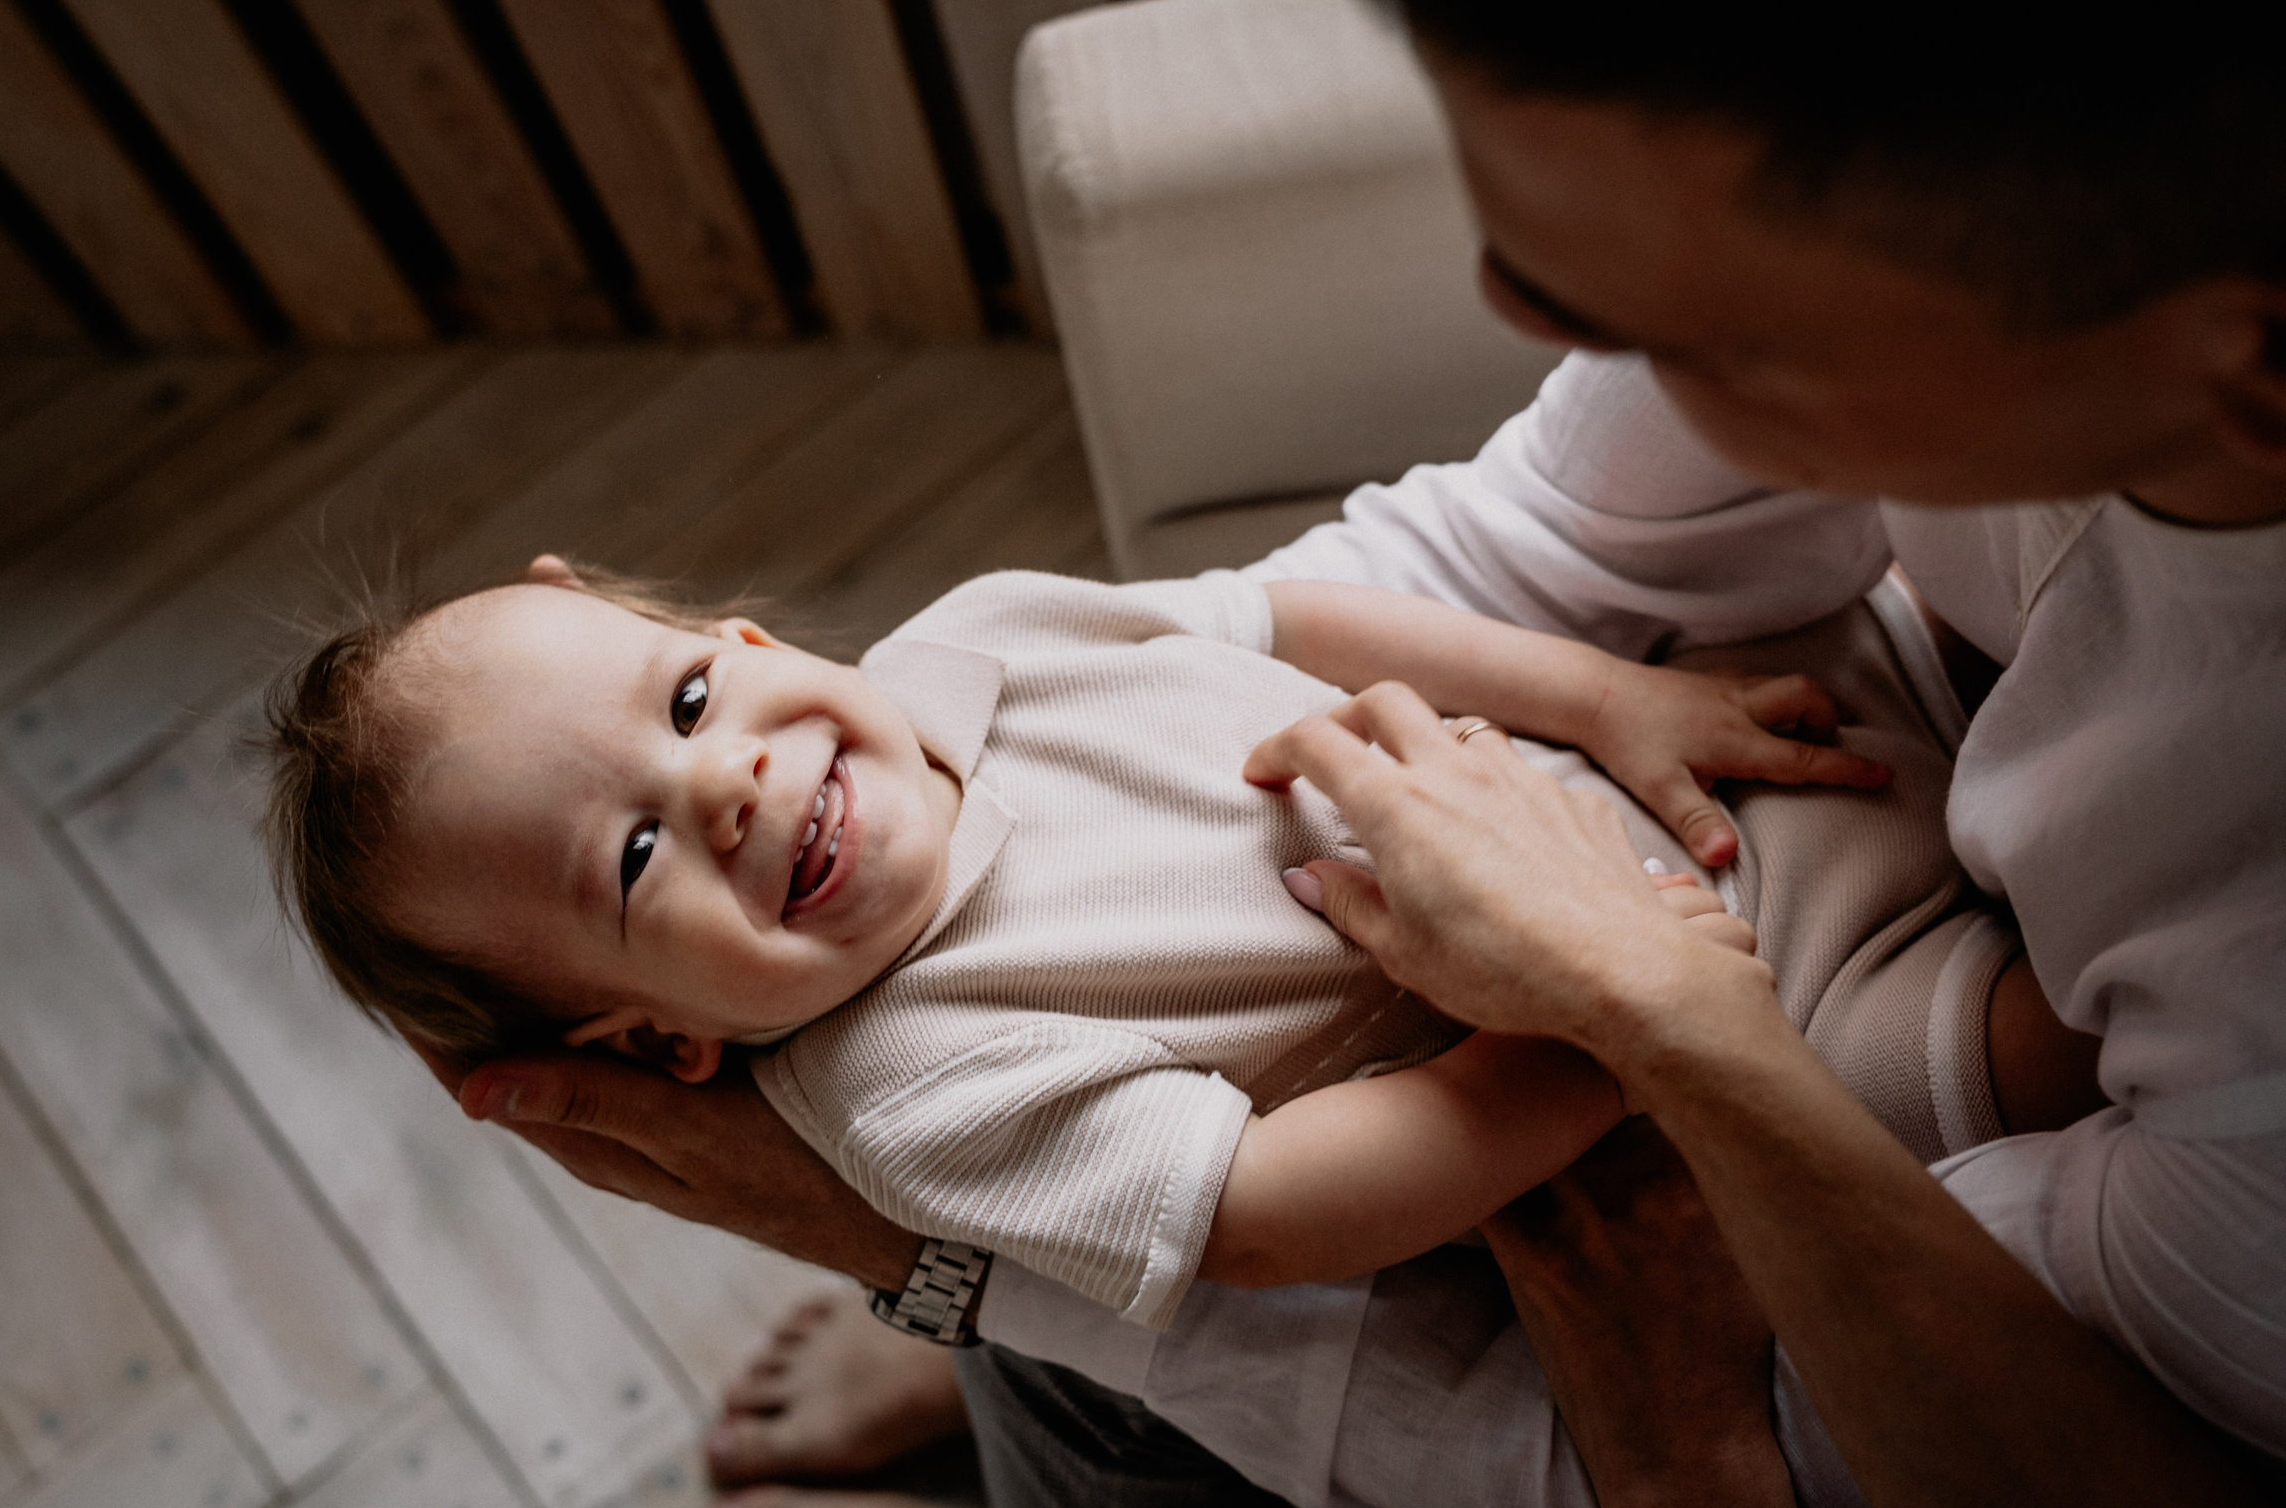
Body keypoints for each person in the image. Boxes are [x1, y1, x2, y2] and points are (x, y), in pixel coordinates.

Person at [415, 0, 2286, 1508]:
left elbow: (1933, 1490)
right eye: (636, 864)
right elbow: (1339, 611)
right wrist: (1601, 696)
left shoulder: (2253, 1060)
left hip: (1740, 1079)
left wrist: (1634, 1031)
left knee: (1074, 1363)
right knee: (1063, 1322)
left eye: (1679, 317)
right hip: (1683, 866)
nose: (1525, 321)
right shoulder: (914, 1037)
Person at [265, 549, 1929, 1333]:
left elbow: (1292, 619)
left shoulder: (980, 633)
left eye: (692, 698)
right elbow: (1263, 1217)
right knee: (2027, 1038)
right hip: (1733, 1038)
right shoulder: (913, 1089)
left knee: (1914, 724)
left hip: (1624, 800)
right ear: (659, 1043)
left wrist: (1601, 691)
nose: (730, 784)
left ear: (737, 633)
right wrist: (1603, 1033)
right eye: (633, 855)